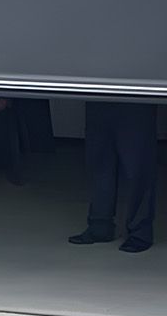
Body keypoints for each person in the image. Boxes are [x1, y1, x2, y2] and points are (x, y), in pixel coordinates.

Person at [68, 101, 159, 253]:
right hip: (99, 92)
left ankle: (140, 233)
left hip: (136, 93)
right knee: (99, 161)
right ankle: (99, 227)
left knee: (137, 166)